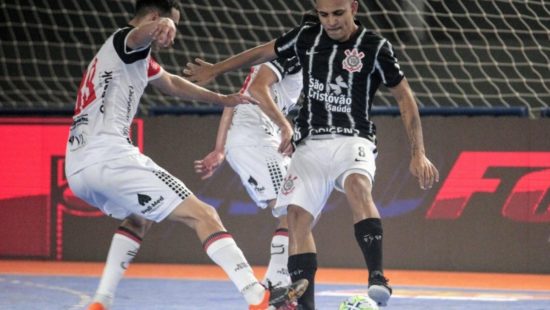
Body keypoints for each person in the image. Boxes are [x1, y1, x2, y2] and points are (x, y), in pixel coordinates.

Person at [184, 0, 440, 309]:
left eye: (337, 14)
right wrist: (216, 69)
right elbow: (261, 53)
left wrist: (419, 153)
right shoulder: (306, 38)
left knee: (358, 185)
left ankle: (376, 277)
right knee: (295, 217)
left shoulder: (374, 46)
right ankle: (302, 303)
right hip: (307, 143)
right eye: (324, 15)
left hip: (352, 138)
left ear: (353, 8)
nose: (330, 22)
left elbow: (405, 96)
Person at [64, 1, 307, 309]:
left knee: (139, 218)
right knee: (204, 214)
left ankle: (101, 300)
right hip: (109, 155)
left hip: (77, 168)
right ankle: (258, 296)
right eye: (171, 24)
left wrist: (221, 98)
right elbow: (137, 35)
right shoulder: (126, 40)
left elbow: (172, 83)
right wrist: (160, 27)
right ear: (153, 16)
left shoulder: (116, 55)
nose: (173, 36)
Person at [194, 55, 303, 288]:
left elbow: (234, 101)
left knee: (299, 208)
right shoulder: (293, 55)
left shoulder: (290, 62)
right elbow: (255, 89)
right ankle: (275, 284)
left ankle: (277, 281)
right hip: (255, 138)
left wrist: (220, 149)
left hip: (258, 139)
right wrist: (285, 125)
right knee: (292, 208)